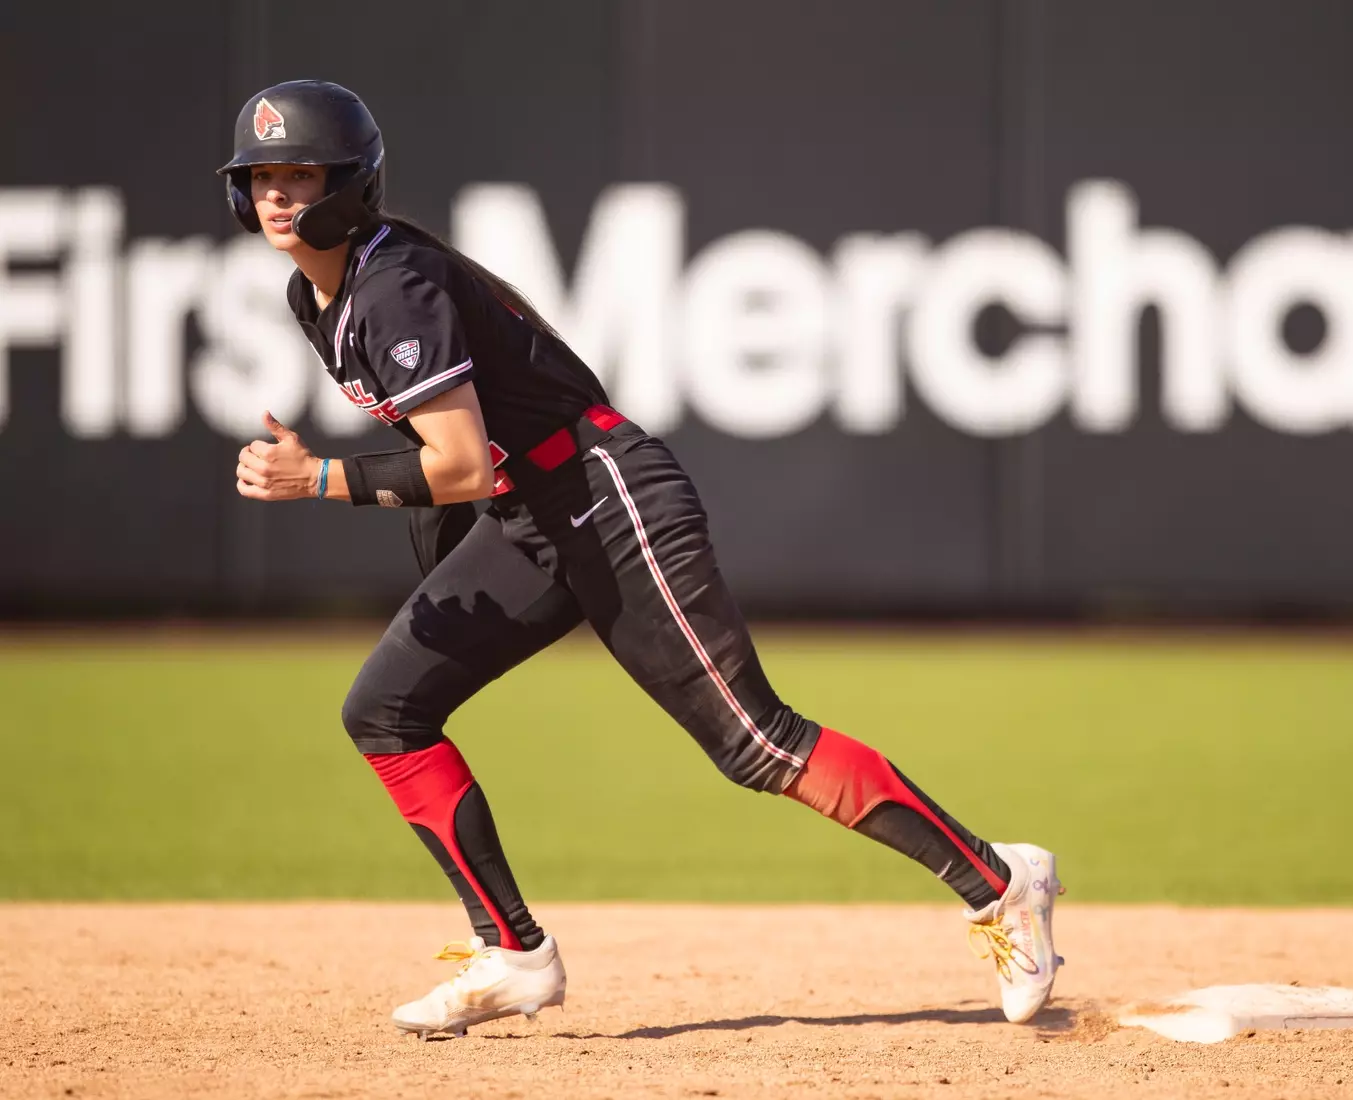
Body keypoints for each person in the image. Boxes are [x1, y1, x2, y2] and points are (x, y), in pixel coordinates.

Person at [220, 80, 1063, 1038]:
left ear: (350, 181)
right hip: (528, 511)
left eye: (300, 172)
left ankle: (999, 881)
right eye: (262, 176)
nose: (279, 193)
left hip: (605, 493)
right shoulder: (314, 293)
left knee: (756, 742)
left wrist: (317, 479)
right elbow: (469, 465)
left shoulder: (391, 285)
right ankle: (512, 954)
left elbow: (452, 463)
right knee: (384, 710)